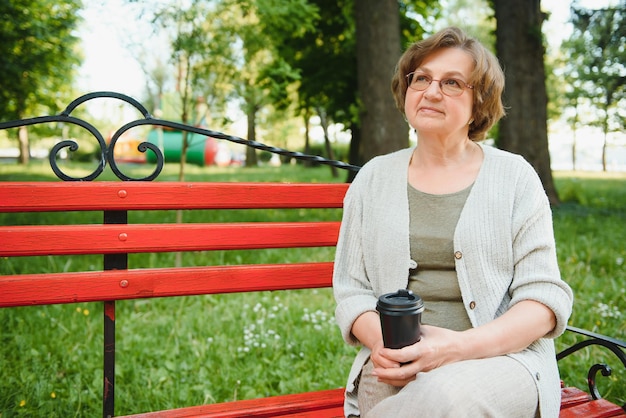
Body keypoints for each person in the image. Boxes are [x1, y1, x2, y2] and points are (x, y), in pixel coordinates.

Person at [332, 26, 573, 418]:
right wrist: (389, 347)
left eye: (452, 83)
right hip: (396, 366)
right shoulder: (372, 178)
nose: (430, 91)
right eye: (421, 78)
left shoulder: (515, 177)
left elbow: (543, 300)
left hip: (502, 361)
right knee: (399, 398)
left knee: (442, 398)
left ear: (480, 102)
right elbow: (352, 290)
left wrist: (454, 349)